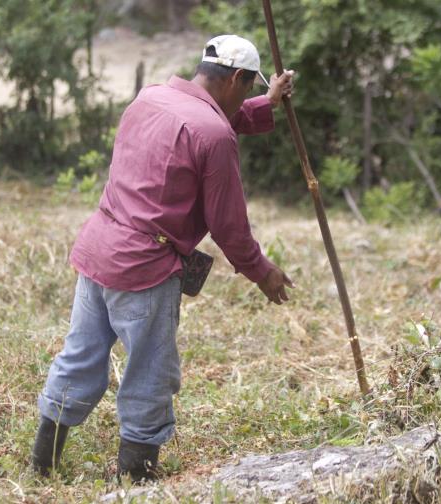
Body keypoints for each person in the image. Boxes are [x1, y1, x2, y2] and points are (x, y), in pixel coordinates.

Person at [33, 34, 296, 482]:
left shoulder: (151, 98)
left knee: (80, 356)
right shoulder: (214, 135)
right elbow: (229, 227)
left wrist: (267, 102)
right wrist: (262, 272)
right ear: (236, 78)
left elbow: (212, 122)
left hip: (99, 249)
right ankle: (137, 478)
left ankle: (43, 464)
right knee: (151, 373)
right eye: (250, 87)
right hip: (144, 266)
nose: (250, 94)